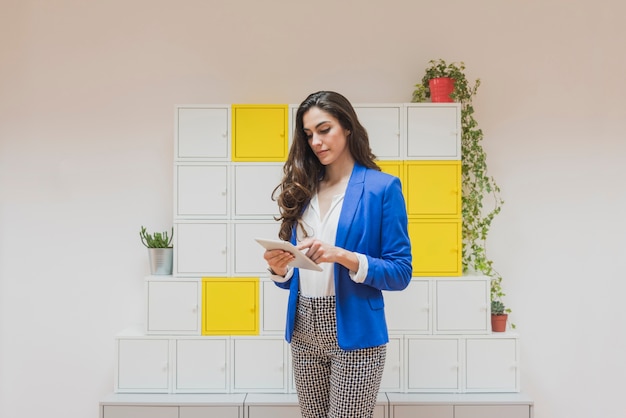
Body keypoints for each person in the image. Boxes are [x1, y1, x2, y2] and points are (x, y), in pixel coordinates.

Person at [263, 91, 412, 418]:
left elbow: (401, 272)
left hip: (356, 331)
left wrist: (343, 255)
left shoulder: (382, 188)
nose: (315, 141)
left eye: (324, 129)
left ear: (346, 127)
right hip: (303, 331)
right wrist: (281, 270)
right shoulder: (302, 189)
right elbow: (294, 277)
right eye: (308, 134)